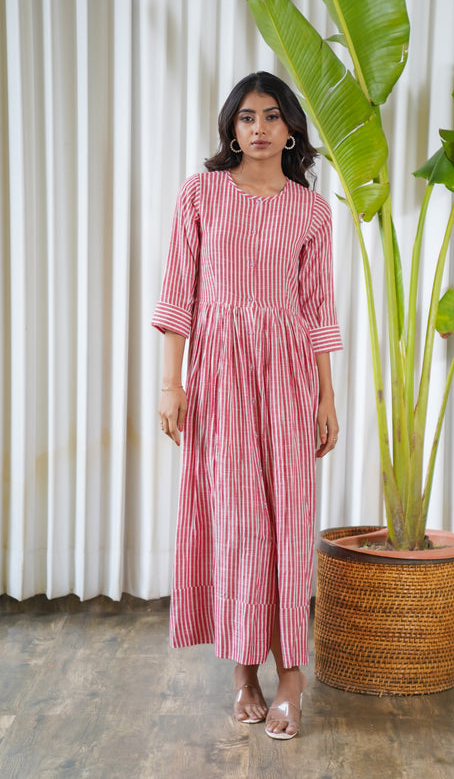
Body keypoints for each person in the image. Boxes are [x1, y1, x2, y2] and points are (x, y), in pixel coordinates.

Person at [152, 71, 342, 740]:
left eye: (269, 116)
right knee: (234, 520)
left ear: (290, 128)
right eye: (244, 117)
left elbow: (318, 307)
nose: (257, 127)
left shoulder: (310, 210)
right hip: (221, 372)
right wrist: (170, 383)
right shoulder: (201, 193)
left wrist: (326, 393)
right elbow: (179, 291)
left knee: (289, 519)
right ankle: (243, 673)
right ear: (230, 128)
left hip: (289, 373)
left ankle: (292, 673)